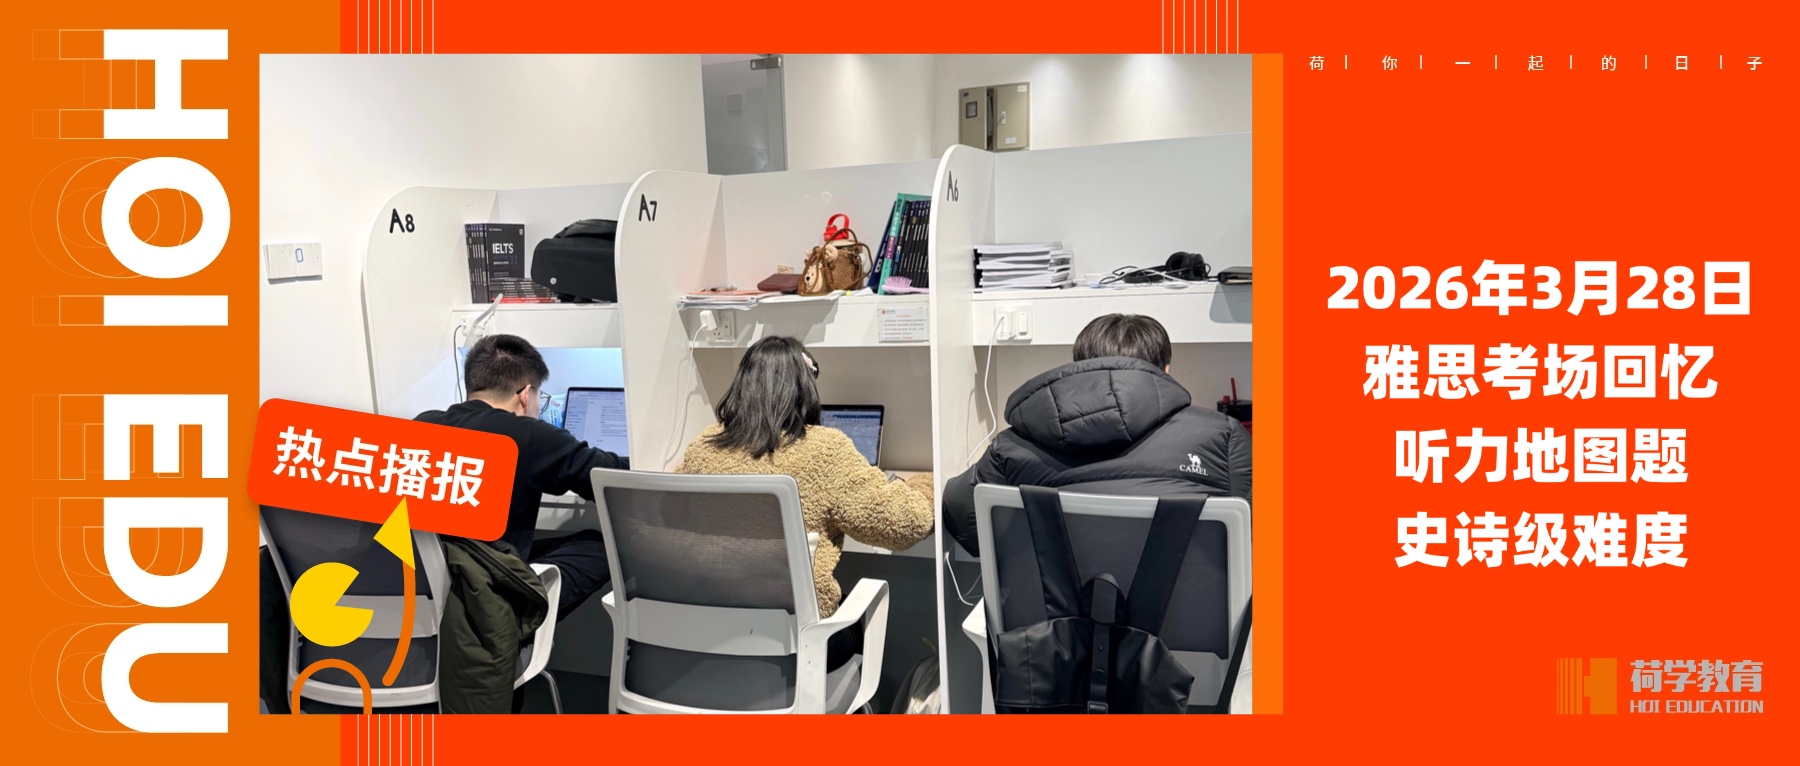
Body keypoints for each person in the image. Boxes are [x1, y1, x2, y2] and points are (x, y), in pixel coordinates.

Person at [942, 313, 1251, 556]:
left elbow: (960, 513)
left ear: (1081, 369)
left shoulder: (1015, 444)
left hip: (1051, 618)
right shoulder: (1223, 436)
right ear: (1166, 370)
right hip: (1186, 617)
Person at [675, 336, 935, 620]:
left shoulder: (703, 447)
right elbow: (905, 524)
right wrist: (926, 485)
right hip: (795, 633)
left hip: (707, 622)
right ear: (803, 389)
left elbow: (667, 511)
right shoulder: (823, 450)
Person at [414, 333, 627, 617]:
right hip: (486, 601)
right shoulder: (528, 435)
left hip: (430, 594)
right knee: (603, 547)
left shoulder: (421, 425)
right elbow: (609, 477)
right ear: (526, 395)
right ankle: (521, 622)